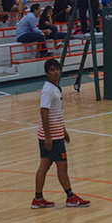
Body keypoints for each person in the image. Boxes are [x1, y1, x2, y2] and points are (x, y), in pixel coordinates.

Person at [32, 59, 90, 209]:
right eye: (52, 70)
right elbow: (44, 113)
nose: (56, 72)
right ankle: (70, 197)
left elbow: (56, 113)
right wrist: (48, 137)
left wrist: (63, 131)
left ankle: (38, 199)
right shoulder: (48, 90)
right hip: (52, 138)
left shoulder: (55, 88)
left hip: (56, 135)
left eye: (57, 69)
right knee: (62, 167)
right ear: (47, 73)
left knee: (44, 167)